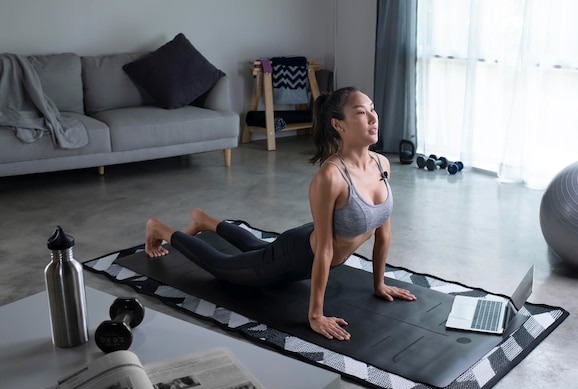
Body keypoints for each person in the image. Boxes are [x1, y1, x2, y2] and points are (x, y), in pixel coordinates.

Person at [145, 86, 416, 341]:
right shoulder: (331, 177)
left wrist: (379, 284)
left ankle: (204, 220)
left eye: (372, 109)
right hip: (295, 256)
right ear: (338, 124)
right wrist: (315, 315)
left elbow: (384, 230)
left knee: (257, 247)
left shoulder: (381, 163)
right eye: (360, 112)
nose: (372, 117)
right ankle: (160, 228)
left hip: (302, 243)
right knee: (221, 266)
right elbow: (324, 250)